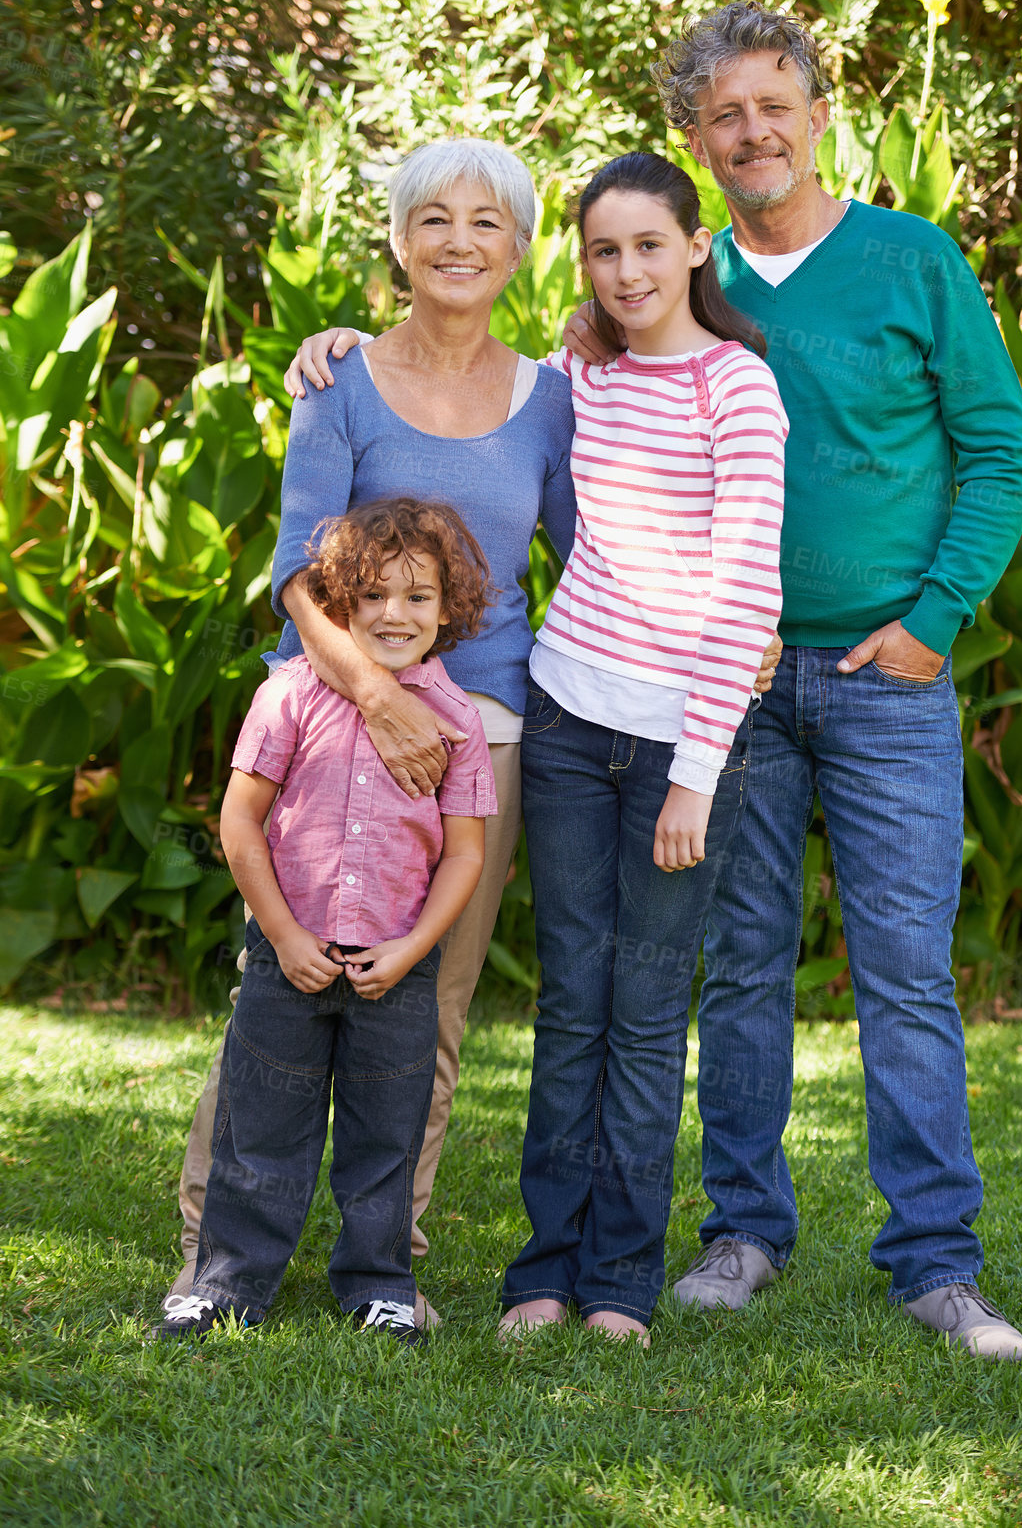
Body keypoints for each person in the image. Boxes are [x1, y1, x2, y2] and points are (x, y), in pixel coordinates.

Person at [563, 3, 1022, 1361]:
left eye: (773, 104)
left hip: (884, 674)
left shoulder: (910, 260)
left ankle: (935, 1261)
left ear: (819, 111)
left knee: (901, 971)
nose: (752, 132)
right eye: (722, 115)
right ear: (693, 139)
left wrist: (930, 620)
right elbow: (542, 395)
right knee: (741, 965)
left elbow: (997, 453)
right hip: (727, 687)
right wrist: (349, 359)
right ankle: (743, 1230)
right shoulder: (676, 275)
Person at [163, 139, 577, 1329]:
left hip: (479, 726)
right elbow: (300, 570)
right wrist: (380, 700)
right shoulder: (337, 379)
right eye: (433, 219)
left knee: (428, 999)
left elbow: (584, 554)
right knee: (276, 991)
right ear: (397, 241)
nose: (459, 241)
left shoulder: (549, 396)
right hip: (328, 719)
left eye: (487, 222)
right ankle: (209, 1247)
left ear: (519, 247)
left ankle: (386, 1260)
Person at [497, 152, 789, 1346]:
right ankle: (541, 1271)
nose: (627, 271)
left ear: (695, 250)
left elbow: (745, 591)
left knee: (647, 1007)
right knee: (572, 1001)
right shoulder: (579, 371)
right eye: (604, 251)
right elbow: (469, 387)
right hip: (567, 719)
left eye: (648, 247)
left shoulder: (738, 388)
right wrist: (343, 350)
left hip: (684, 745)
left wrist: (696, 773)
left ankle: (619, 1278)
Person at [155, 498, 496, 1344]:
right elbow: (239, 823)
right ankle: (225, 1281)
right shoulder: (291, 697)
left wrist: (413, 948)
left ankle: (379, 1283)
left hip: (397, 966)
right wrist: (282, 934)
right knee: (259, 1129)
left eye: (418, 597)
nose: (393, 614)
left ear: (450, 608)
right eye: (373, 594)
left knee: (385, 1138)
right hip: (287, 959)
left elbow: (463, 856)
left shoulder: (456, 721)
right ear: (339, 601)